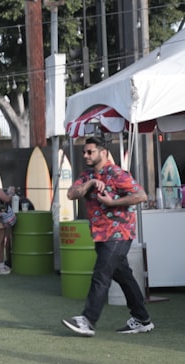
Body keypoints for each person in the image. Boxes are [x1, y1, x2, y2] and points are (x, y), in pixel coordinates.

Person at [62, 136, 153, 337]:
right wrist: (92, 182)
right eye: (84, 152)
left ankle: (88, 320)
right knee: (124, 276)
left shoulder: (117, 173)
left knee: (101, 274)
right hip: (100, 235)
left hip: (119, 234)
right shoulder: (87, 176)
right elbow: (71, 194)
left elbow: (141, 195)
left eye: (90, 152)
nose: (85, 155)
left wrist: (112, 203)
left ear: (103, 152)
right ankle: (142, 319)